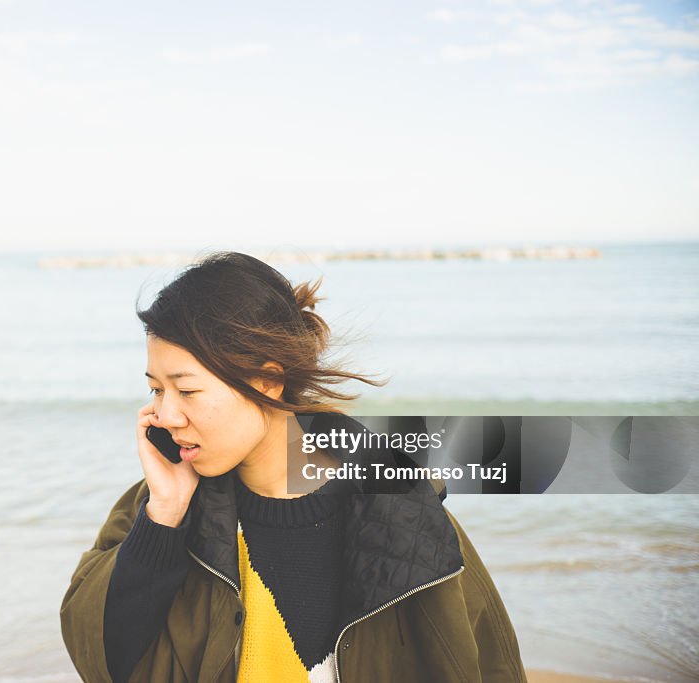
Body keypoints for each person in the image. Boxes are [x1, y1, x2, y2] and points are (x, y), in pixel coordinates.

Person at [60, 251, 528, 683]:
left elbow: (487, 663)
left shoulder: (402, 508)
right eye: (156, 390)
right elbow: (103, 659)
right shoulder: (159, 509)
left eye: (187, 390)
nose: (164, 416)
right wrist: (163, 515)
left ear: (269, 378)